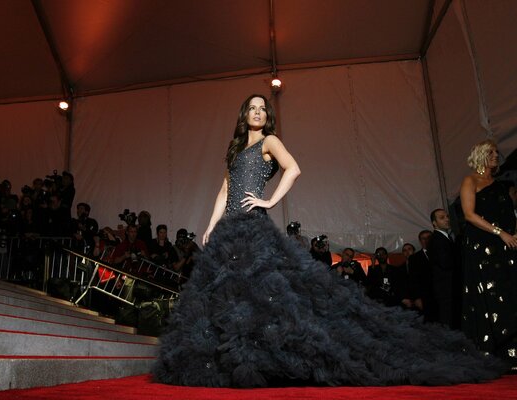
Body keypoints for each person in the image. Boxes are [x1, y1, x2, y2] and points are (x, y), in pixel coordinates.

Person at [154, 94, 504, 388]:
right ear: (244, 115)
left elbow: (293, 168)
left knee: (262, 296)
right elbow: (225, 189)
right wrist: (211, 224)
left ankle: (267, 361)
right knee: (227, 298)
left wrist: (269, 201)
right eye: (253, 108)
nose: (258, 112)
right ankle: (233, 361)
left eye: (263, 108)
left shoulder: (269, 142)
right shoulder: (233, 149)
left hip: (251, 227)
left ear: (266, 116)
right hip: (227, 231)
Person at [459, 139, 517, 370]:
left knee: (509, 294)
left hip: (506, 247)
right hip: (482, 248)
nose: (496, 155)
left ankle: (511, 352)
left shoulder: (501, 185)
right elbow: (469, 215)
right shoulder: (470, 180)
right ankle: (491, 353)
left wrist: (512, 233)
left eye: (496, 152)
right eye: (491, 152)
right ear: (481, 155)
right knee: (489, 297)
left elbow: (510, 215)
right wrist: (500, 232)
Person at [428, 208, 462, 329]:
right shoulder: (437, 239)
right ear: (434, 223)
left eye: (447, 216)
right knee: (449, 321)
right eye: (442, 218)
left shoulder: (445, 237)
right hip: (446, 288)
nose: (447, 219)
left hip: (449, 287)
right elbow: (446, 263)